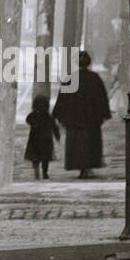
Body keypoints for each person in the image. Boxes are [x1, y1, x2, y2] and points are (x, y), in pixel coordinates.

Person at [52, 50, 112, 178]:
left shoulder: (70, 78)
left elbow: (62, 99)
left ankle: (81, 168)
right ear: (89, 63)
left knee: (77, 144)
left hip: (74, 119)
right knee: (90, 143)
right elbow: (102, 98)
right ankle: (88, 167)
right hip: (91, 119)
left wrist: (58, 115)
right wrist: (104, 114)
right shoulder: (95, 78)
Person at [24, 93, 59, 179]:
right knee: (45, 158)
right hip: (46, 140)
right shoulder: (49, 116)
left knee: (35, 157)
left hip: (34, 139)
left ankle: (36, 171)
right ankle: (44, 172)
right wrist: (57, 136)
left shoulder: (33, 115)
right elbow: (54, 127)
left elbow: (28, 120)